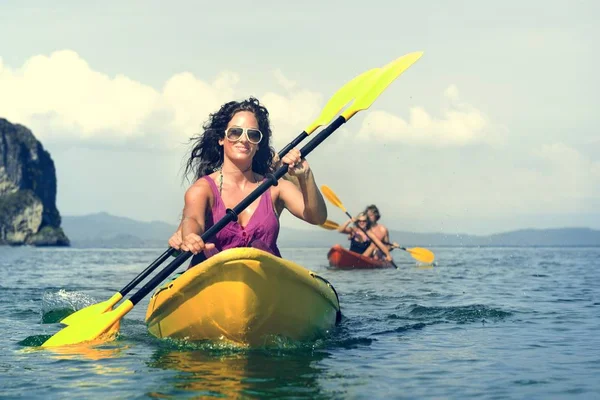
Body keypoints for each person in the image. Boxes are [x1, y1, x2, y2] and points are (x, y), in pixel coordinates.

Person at [168, 97, 327, 268]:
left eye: (252, 135)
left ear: (258, 144)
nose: (244, 140)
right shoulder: (202, 189)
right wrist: (190, 236)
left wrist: (306, 176)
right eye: (235, 132)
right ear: (221, 139)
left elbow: (317, 217)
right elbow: (193, 219)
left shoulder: (275, 188)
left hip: (264, 281)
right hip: (212, 279)